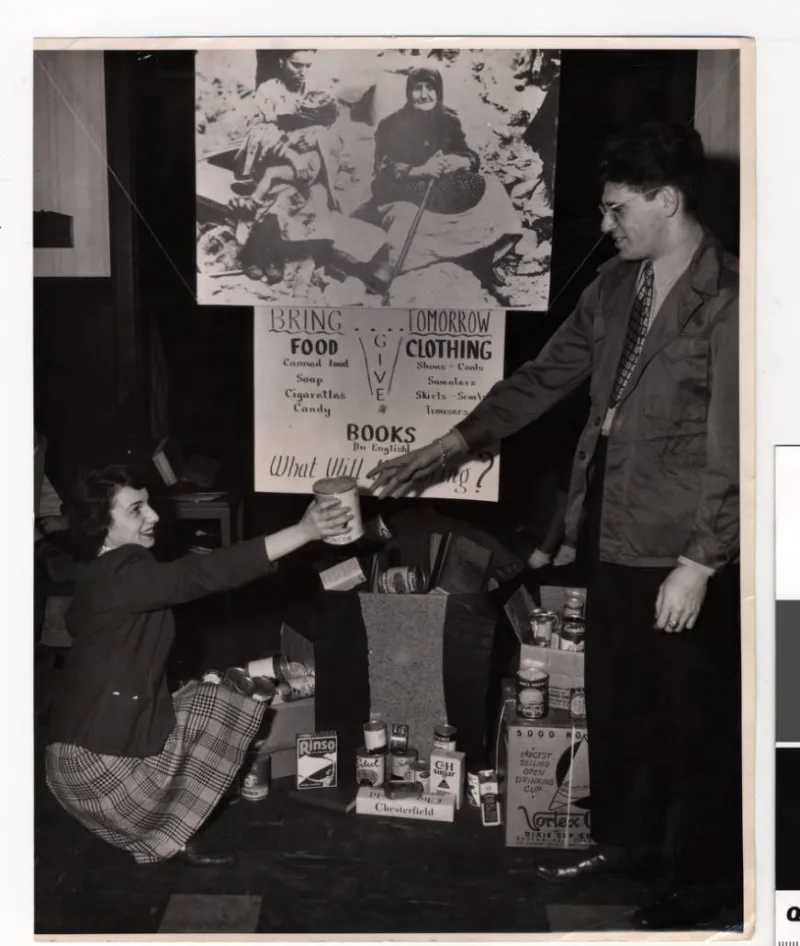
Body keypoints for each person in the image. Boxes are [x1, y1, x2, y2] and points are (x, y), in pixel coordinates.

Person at [368, 121, 741, 931]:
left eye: (616, 209)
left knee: (691, 718)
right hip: (610, 524)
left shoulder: (731, 299)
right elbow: (543, 379)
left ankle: (705, 883)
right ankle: (629, 847)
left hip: (681, 544)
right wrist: (447, 446)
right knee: (620, 701)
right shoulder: (614, 287)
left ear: (666, 200)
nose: (605, 225)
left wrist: (702, 561)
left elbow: (735, 446)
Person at [45, 463, 353, 867]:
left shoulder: (97, 573)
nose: (154, 515)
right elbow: (201, 574)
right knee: (223, 704)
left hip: (69, 761)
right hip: (98, 769)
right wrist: (303, 532)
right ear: (101, 525)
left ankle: (173, 825)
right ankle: (169, 831)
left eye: (148, 504)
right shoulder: (124, 572)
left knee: (208, 697)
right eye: (136, 509)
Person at [364, 66, 523, 290]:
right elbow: (384, 167)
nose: (424, 94)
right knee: (404, 217)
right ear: (408, 92)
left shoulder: (449, 120)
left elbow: (466, 152)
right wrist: (421, 170)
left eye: (430, 88)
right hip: (405, 190)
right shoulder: (390, 124)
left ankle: (481, 260)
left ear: (438, 91)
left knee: (493, 187)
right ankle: (403, 271)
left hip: (443, 188)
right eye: (417, 88)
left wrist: (461, 161)